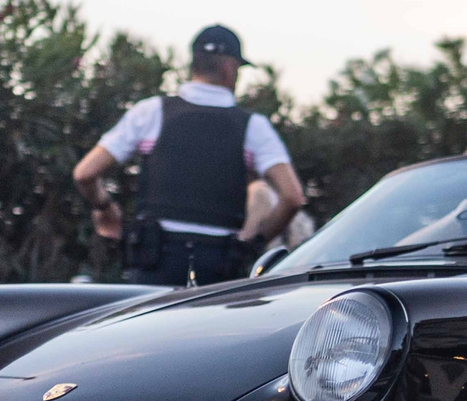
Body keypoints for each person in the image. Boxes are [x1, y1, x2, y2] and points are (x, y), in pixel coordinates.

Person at [72, 24, 306, 287]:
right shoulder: (254, 126)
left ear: (194, 64)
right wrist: (253, 245)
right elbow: (292, 197)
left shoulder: (151, 112)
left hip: (153, 261)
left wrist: (105, 208)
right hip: (219, 268)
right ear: (229, 68)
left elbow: (85, 173)